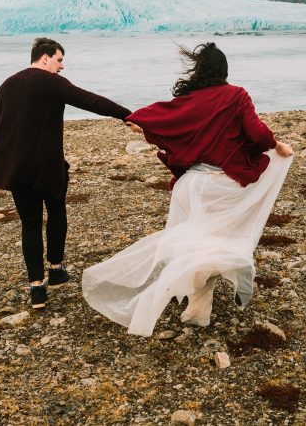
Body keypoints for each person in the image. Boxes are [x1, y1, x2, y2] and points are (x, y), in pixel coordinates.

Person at [82, 42, 294, 336]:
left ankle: (199, 309)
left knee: (196, 243)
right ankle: (237, 263)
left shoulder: (189, 100)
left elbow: (158, 116)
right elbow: (257, 133)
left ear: (199, 70)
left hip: (191, 185)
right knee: (217, 240)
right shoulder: (236, 95)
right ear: (224, 70)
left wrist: (140, 122)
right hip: (224, 183)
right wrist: (275, 145)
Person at [0, 37, 131, 309]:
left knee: (30, 223)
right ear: (45, 58)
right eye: (59, 60)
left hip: (17, 168)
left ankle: (37, 289)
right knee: (57, 212)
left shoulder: (8, 84)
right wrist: (127, 115)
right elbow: (90, 100)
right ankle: (57, 270)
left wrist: (17, 144)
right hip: (48, 166)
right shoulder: (51, 82)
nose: (61, 67)